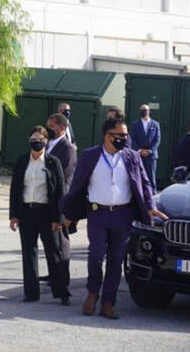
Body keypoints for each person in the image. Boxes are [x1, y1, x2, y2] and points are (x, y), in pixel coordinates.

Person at [62, 117, 168, 319]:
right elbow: (77, 186)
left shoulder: (132, 157)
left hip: (123, 215)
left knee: (116, 259)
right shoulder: (90, 156)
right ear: (107, 136)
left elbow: (145, 183)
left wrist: (150, 207)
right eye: (119, 135)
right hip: (98, 214)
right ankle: (92, 293)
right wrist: (70, 214)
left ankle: (108, 302)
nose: (124, 139)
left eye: (125, 135)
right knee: (96, 255)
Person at [9, 126, 70, 305]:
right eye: (33, 139)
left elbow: (60, 191)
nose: (37, 143)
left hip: (47, 213)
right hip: (26, 211)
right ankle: (31, 292)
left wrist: (58, 219)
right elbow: (15, 189)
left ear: (46, 141)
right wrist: (13, 215)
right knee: (29, 253)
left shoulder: (53, 162)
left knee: (54, 252)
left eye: (40, 140)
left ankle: (62, 292)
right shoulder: (22, 161)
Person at [43, 113, 77, 285]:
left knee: (60, 240)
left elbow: (64, 175)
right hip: (45, 198)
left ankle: (62, 277)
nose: (48, 129)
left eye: (52, 126)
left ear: (62, 128)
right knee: (49, 240)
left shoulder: (67, 148)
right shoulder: (47, 145)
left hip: (60, 199)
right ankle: (52, 273)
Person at [130, 104, 161, 193]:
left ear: (149, 111)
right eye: (142, 110)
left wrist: (150, 150)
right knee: (138, 176)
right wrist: (140, 150)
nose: (144, 112)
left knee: (151, 177)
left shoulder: (155, 124)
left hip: (151, 155)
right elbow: (133, 139)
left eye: (145, 110)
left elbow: (157, 140)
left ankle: (153, 194)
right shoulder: (135, 124)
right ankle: (139, 194)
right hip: (139, 155)